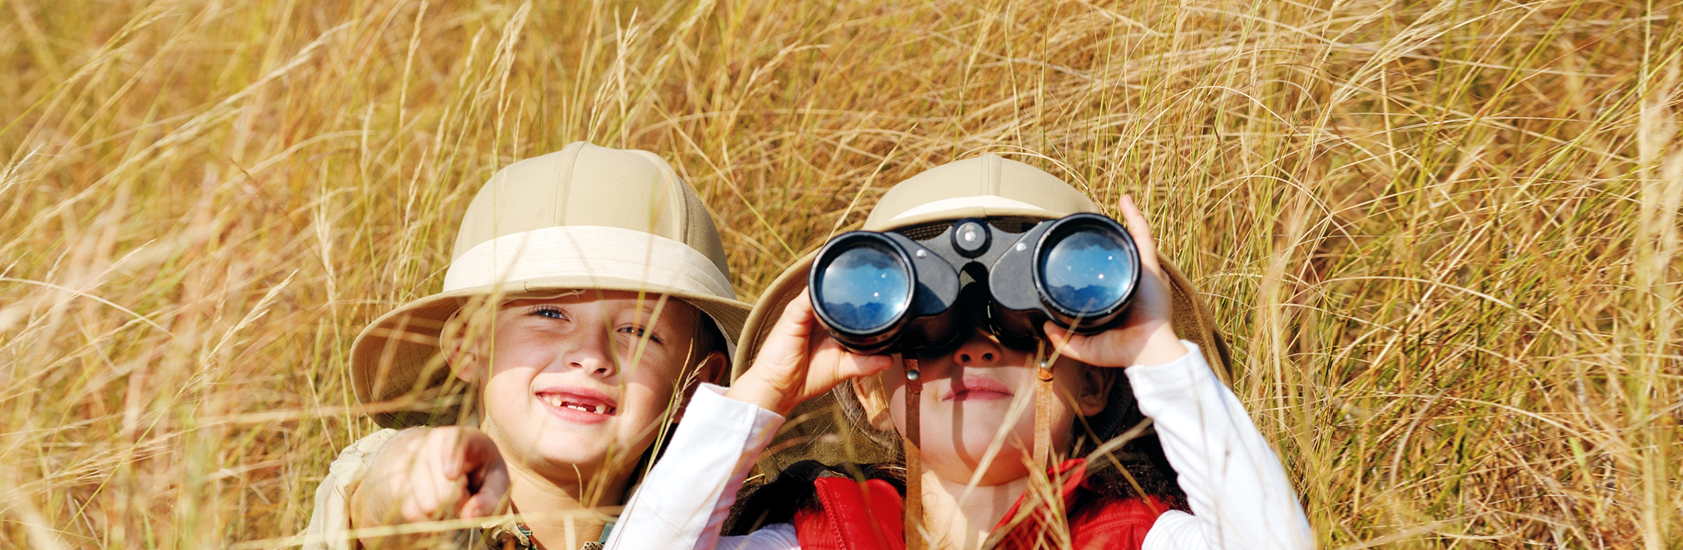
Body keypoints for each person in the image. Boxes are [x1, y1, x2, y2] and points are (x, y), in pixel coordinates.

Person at [605, 154, 1315, 550]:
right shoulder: (820, 539)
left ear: (1096, 385)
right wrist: (765, 391)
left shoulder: (1138, 539)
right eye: (927, 327)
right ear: (869, 391)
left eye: (1027, 327)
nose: (975, 350)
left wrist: (1154, 348)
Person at [300, 142, 756, 550]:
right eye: (550, 314)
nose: (591, 356)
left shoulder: (742, 531)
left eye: (638, 331)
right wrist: (400, 489)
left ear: (697, 386)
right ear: (468, 344)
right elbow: (380, 507)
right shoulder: (419, 489)